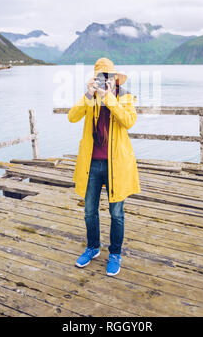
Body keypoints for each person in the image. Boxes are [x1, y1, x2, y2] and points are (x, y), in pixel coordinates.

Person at [67, 57, 140, 276]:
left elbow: (128, 121)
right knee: (90, 211)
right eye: (100, 78)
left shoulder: (125, 97)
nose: (104, 81)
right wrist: (89, 95)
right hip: (92, 164)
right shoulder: (90, 99)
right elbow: (72, 117)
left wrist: (109, 98)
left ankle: (115, 253)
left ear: (115, 79)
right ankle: (92, 247)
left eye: (108, 77)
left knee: (116, 213)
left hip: (116, 166)